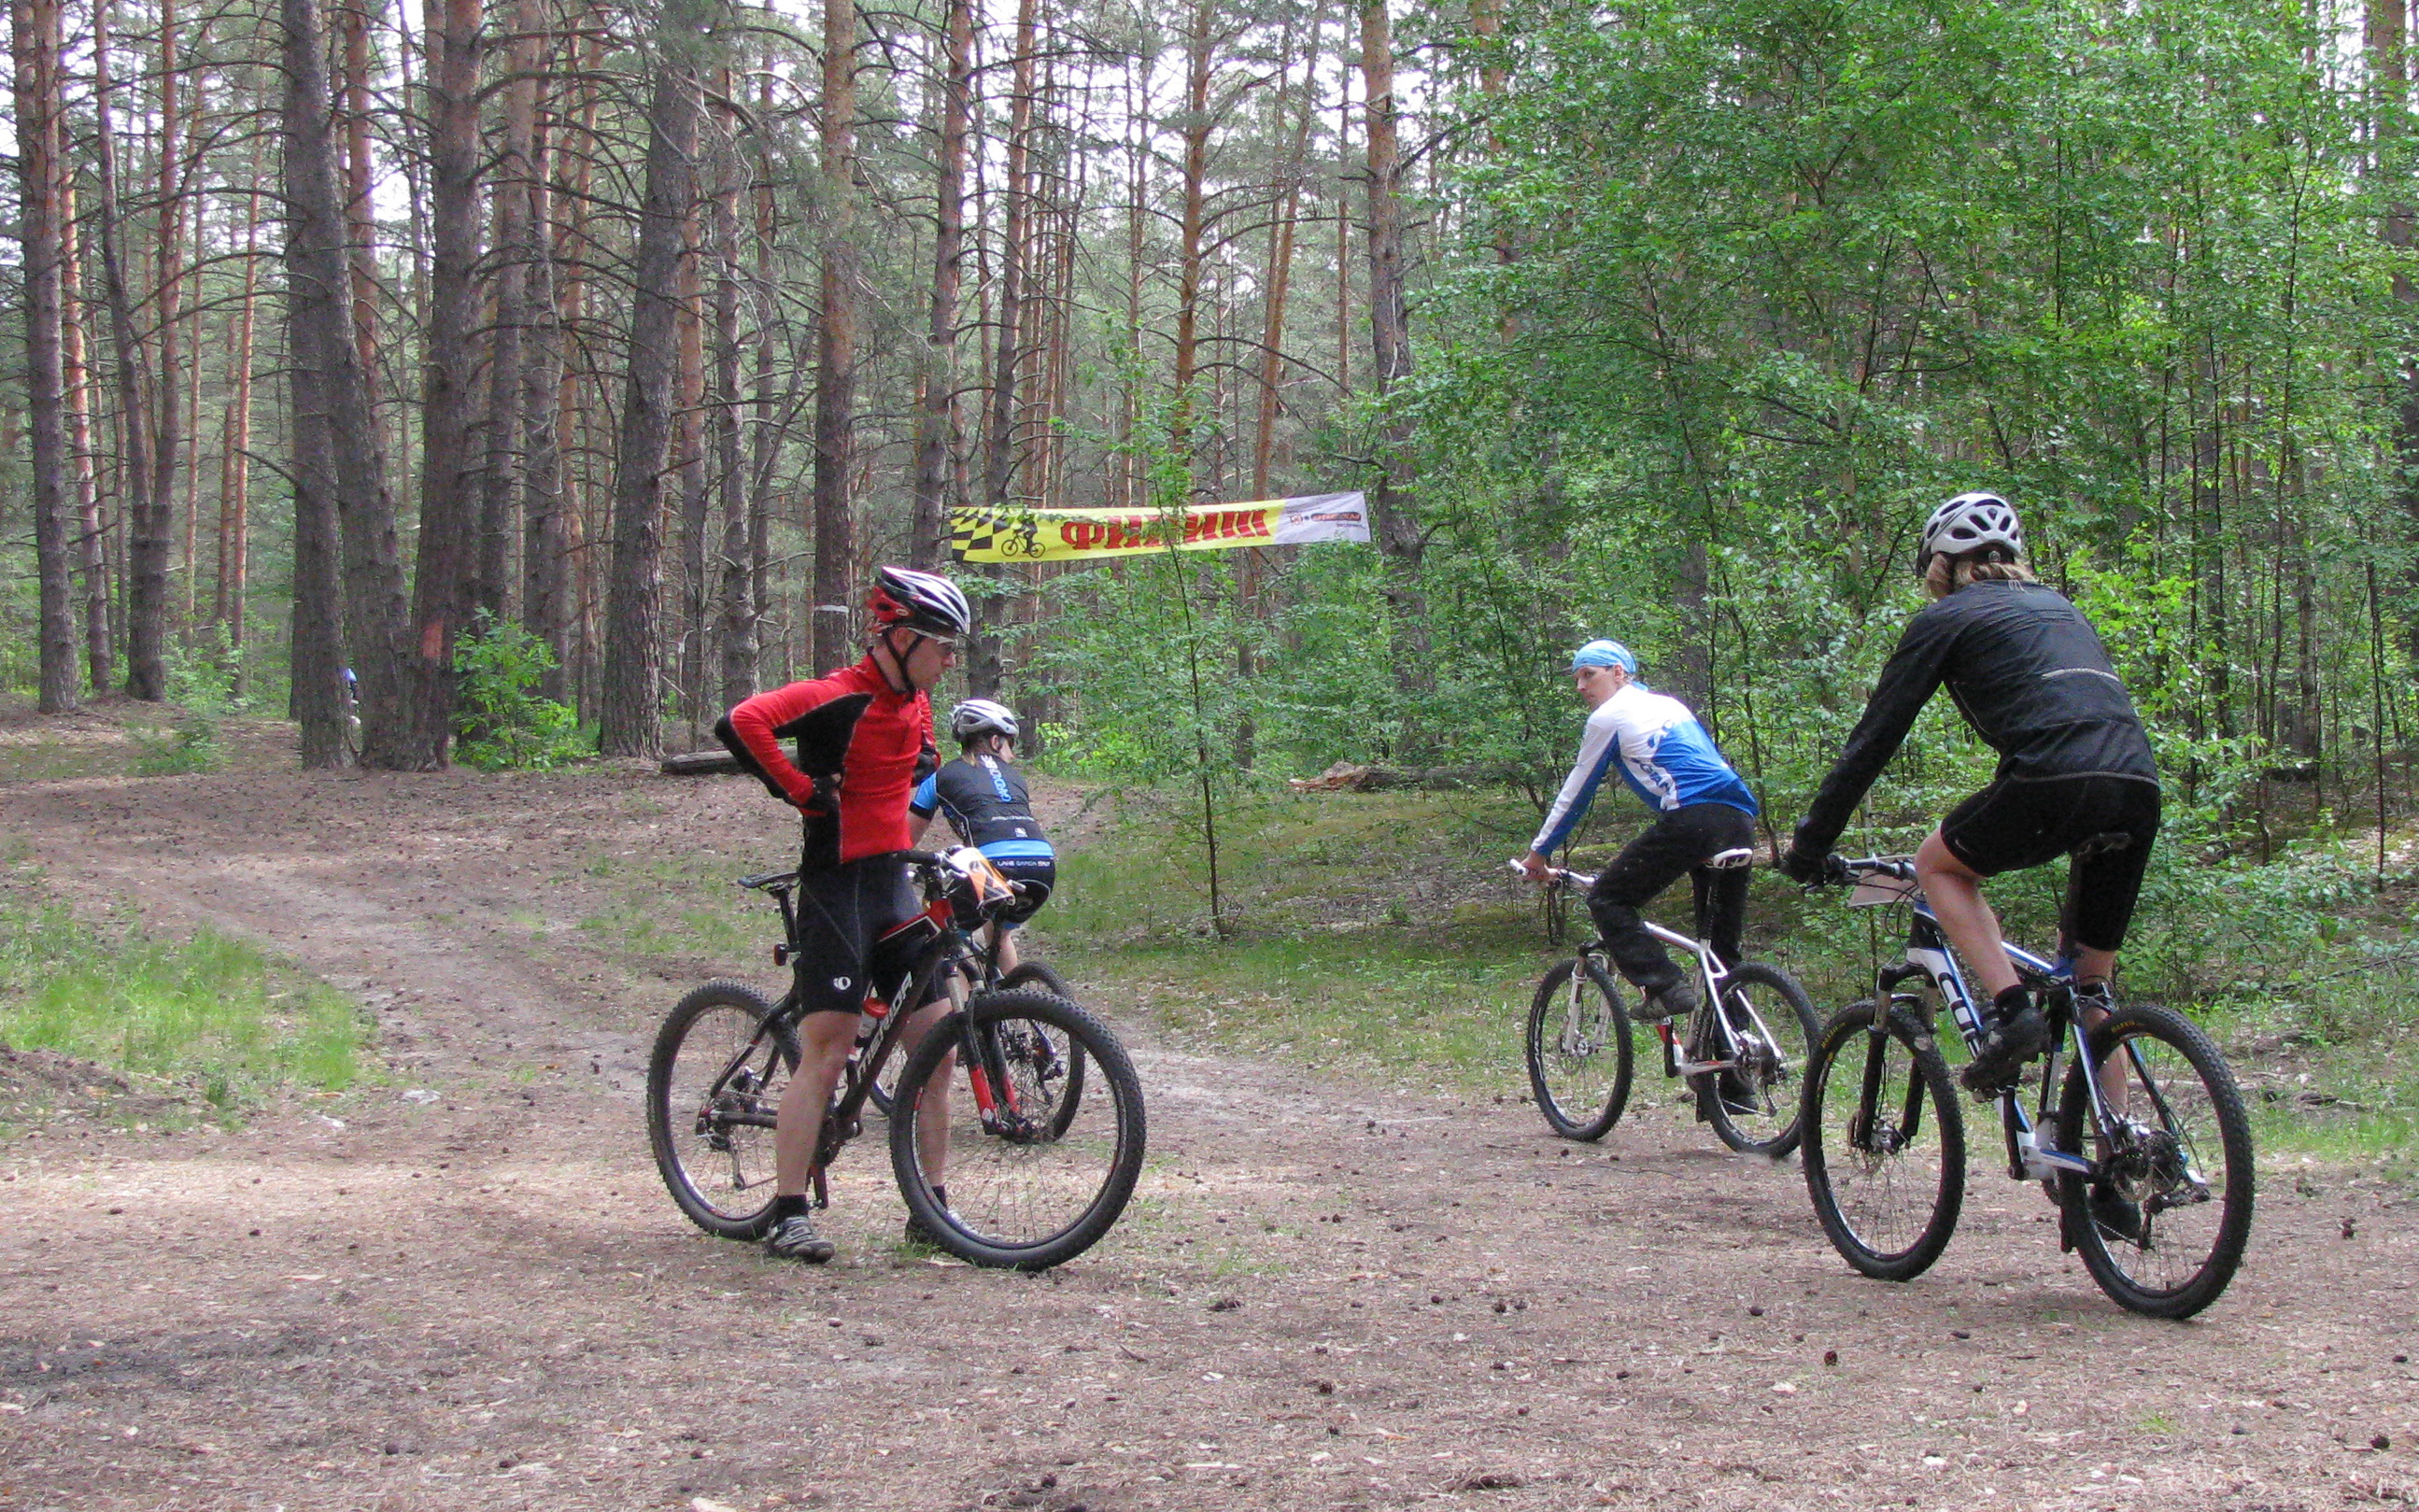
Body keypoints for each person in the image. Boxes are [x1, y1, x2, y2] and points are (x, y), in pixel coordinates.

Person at [1781, 491, 2160, 1099]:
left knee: (1938, 864)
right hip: (2137, 785)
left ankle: (2012, 1012)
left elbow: (1873, 741)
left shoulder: (1945, 618)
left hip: (2051, 776)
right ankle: (2123, 1145)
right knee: (2091, 989)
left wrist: (1811, 843)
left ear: (1940, 563)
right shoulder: (2062, 608)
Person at [714, 565, 971, 1263]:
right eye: (944, 647)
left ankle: (932, 1210)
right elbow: (742, 721)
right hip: (836, 888)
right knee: (827, 1050)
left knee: (937, 1047)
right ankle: (788, 1212)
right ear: (902, 638)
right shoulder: (834, 695)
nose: (951, 661)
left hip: (893, 885)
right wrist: (800, 789)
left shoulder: (915, 701)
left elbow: (921, 761)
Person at [1519, 640, 1761, 1042]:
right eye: (1576, 678)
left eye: (1589, 674)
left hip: (1694, 817)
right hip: (1738, 819)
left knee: (1608, 899)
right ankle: (1738, 1066)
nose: (1581, 686)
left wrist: (1538, 854)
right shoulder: (1668, 705)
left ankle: (1665, 986)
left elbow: (1577, 790)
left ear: (1619, 672)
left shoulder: (1609, 716)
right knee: (1721, 952)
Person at [909, 699, 1055, 974]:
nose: (1013, 754)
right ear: (996, 741)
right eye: (1011, 744)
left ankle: (967, 1002)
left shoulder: (940, 777)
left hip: (990, 865)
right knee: (999, 933)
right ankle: (1014, 996)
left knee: (943, 944)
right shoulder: (1016, 777)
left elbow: (906, 840)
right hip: (1043, 863)